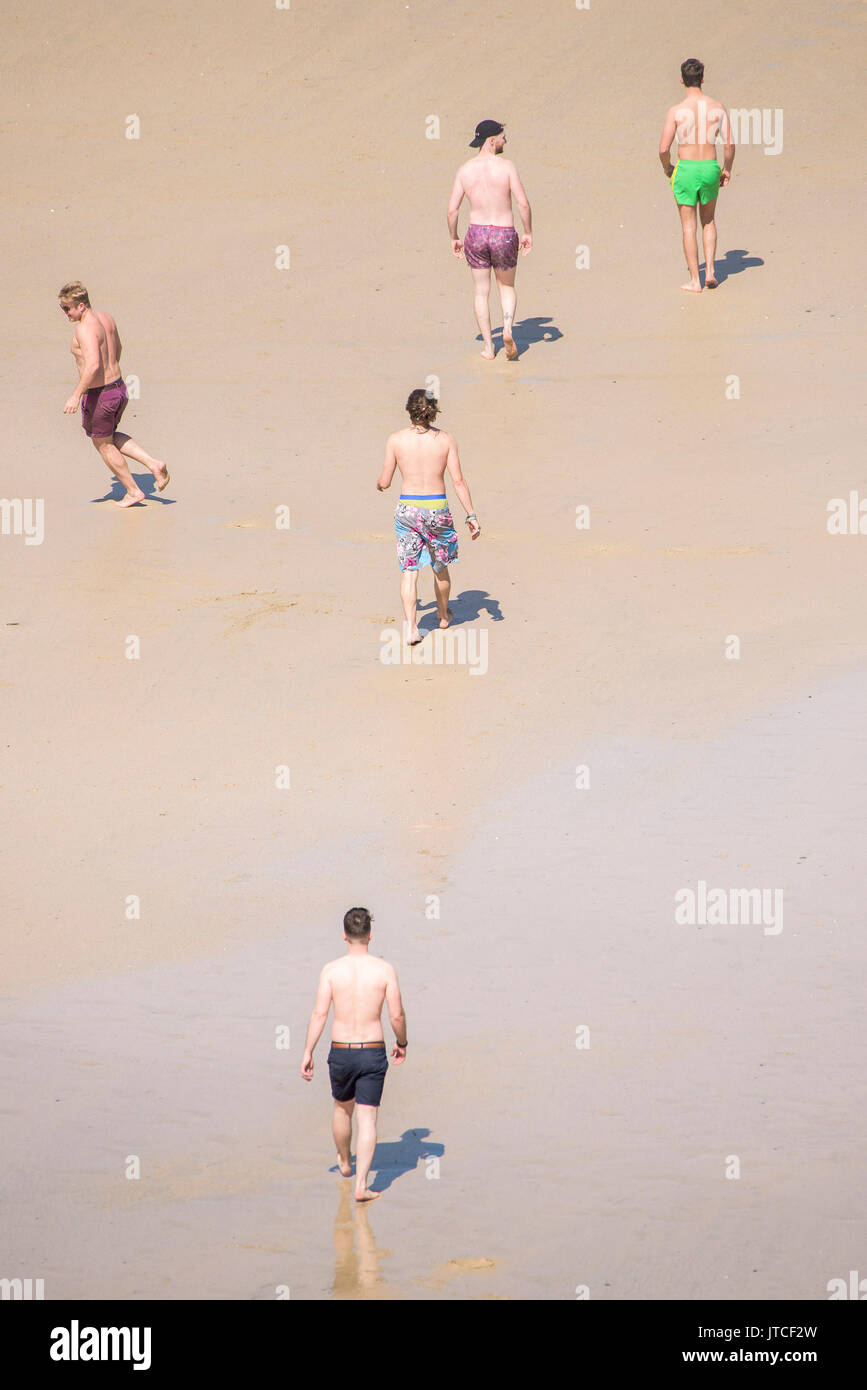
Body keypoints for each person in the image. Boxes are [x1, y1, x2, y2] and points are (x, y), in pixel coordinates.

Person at [301, 908, 407, 1203]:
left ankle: (346, 1163)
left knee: (341, 1109)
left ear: (344, 935)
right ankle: (362, 1186)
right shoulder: (385, 970)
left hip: (341, 1052)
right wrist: (402, 1042)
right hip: (372, 1051)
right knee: (368, 1119)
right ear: (370, 935)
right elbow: (396, 1014)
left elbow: (320, 1013)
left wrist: (308, 1050)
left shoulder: (331, 971)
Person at [377, 389, 481, 645]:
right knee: (440, 567)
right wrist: (472, 515)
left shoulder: (395, 440)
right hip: (437, 511)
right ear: (433, 411)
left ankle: (412, 629)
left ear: (409, 410)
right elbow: (458, 481)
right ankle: (443, 616)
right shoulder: (446, 440)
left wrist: (379, 485)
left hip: (407, 511)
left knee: (409, 570)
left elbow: (386, 481)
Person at [59, 281, 170, 505]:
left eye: (67, 308)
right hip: (119, 388)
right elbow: (117, 349)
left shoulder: (84, 328)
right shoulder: (106, 318)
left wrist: (76, 395)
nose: (65, 313)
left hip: (101, 395)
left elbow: (92, 366)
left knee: (102, 444)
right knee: (108, 436)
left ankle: (133, 491)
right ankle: (154, 464)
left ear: (81, 306)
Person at [447, 120, 532, 359]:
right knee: (506, 286)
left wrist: (454, 236)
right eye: (503, 136)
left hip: (476, 233)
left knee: (481, 292)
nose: (506, 140)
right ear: (491, 140)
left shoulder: (465, 170)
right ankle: (506, 329)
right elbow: (523, 203)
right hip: (503, 233)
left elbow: (452, 210)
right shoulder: (506, 167)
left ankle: (488, 347)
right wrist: (528, 232)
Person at [658, 60, 735, 292]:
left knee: (688, 226)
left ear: (682, 80)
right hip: (710, 166)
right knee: (709, 220)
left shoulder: (676, 111)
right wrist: (727, 168)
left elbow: (663, 149)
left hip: (687, 169)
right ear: (702, 79)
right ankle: (711, 271)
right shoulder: (717, 107)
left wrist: (668, 168)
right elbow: (729, 144)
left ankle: (695, 280)